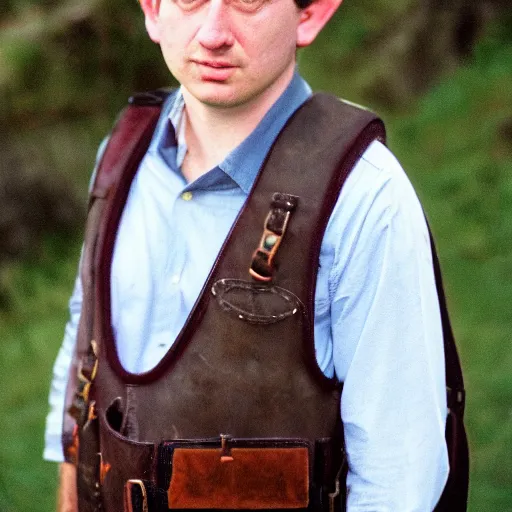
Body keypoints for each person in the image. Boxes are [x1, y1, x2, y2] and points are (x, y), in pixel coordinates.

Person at [45, 0, 450, 510]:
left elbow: (401, 475)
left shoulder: (365, 195)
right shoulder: (122, 155)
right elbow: (86, 344)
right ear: (152, 9)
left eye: (249, 1)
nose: (213, 33)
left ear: (311, 15)